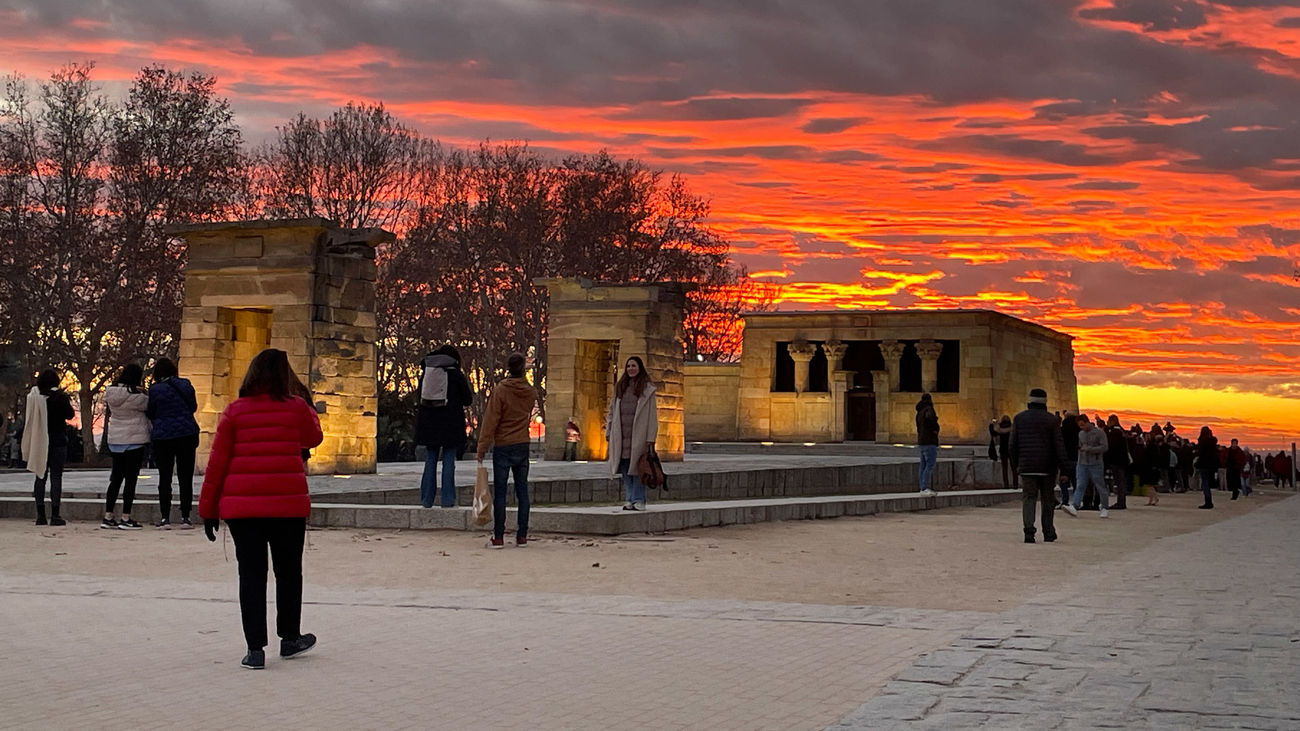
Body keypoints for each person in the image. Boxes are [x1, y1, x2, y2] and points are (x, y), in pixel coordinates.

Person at [198, 348, 323, 670]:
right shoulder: (296, 408)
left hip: (243, 510)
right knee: (288, 573)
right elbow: (314, 438)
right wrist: (305, 404)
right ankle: (290, 637)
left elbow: (217, 463)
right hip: (288, 507)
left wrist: (208, 509)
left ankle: (255, 649)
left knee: (251, 576)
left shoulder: (235, 411)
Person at [476, 353, 538, 548]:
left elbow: (491, 420)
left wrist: (482, 447)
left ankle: (499, 536)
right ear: (523, 369)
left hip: (503, 443)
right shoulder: (530, 392)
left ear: (508, 368)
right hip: (522, 442)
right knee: (522, 490)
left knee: (501, 492)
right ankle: (522, 535)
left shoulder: (501, 390)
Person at [414, 345, 473, 508]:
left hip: (429, 425)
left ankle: (426, 499)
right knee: (448, 461)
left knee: (430, 460)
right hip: (451, 424)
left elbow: (419, 396)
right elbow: (468, 400)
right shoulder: (455, 374)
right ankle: (448, 500)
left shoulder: (427, 372)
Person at [148, 357, 201, 528]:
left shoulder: (155, 389)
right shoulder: (185, 385)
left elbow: (151, 411)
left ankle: (165, 517)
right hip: (187, 433)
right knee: (186, 477)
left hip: (164, 436)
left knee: (165, 477)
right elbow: (193, 407)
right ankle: (186, 516)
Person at [1009, 388, 1066, 543]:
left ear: (1029, 401)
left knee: (1029, 498)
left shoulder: (1020, 418)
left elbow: (1012, 444)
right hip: (1048, 468)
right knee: (1048, 499)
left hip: (1027, 467)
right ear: (1045, 403)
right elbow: (1058, 445)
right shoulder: (1052, 420)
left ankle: (1029, 531)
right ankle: (1048, 532)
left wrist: (1016, 465)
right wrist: (1064, 468)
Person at [606, 356, 659, 511]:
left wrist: (651, 438)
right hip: (621, 436)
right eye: (628, 366)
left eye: (633, 366)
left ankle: (639, 499)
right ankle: (629, 498)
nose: (631, 369)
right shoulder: (620, 388)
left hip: (639, 437)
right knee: (624, 469)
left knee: (639, 469)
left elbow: (652, 416)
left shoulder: (647, 390)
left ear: (640, 368)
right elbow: (611, 412)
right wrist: (609, 430)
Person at [22, 370, 75, 526]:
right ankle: (56, 514)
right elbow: (70, 415)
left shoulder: (34, 397)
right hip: (57, 440)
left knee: (40, 476)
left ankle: (40, 515)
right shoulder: (60, 397)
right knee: (56, 477)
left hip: (39, 440)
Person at [101, 363, 150, 530]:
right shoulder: (139, 397)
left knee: (115, 479)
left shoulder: (111, 393)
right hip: (134, 440)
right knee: (130, 480)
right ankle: (126, 516)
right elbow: (148, 407)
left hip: (116, 440)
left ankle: (108, 515)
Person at [1064, 413, 1108, 518]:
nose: (1082, 427)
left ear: (1088, 422)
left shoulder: (1099, 432)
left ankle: (1105, 507)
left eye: (1083, 425)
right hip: (1082, 463)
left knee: (1100, 486)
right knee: (1080, 485)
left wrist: (1090, 449)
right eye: (1080, 426)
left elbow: (1104, 447)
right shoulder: (1081, 434)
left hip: (1096, 464)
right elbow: (1080, 447)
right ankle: (1075, 506)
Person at [1104, 415, 1130, 510]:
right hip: (1121, 461)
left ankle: (1121, 502)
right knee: (1120, 482)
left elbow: (1111, 447)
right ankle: (1121, 501)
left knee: (1120, 482)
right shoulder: (1121, 431)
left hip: (1117, 461)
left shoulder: (1114, 433)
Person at [915, 393, 939, 496]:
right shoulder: (929, 409)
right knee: (930, 464)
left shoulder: (919, 412)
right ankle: (924, 487)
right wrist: (935, 430)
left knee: (923, 465)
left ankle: (922, 487)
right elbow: (931, 421)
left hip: (922, 441)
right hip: (929, 440)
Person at [1195, 426, 1219, 509]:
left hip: (1204, 464)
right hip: (1211, 465)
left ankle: (1208, 502)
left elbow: (1200, 453)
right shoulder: (1213, 442)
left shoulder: (1202, 442)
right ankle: (1209, 501)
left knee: (1205, 483)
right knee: (1207, 483)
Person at [993, 415, 1014, 490]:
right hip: (1011, 450)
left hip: (1003, 450)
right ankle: (1015, 484)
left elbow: (995, 430)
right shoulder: (1012, 428)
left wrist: (996, 423)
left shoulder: (1000, 428)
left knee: (1004, 469)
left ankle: (1006, 485)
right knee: (1013, 468)